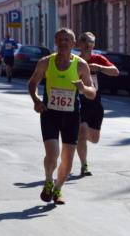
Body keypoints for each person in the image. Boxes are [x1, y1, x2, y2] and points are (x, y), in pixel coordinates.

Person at [27, 28, 97, 205]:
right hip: (49, 114)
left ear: (74, 44)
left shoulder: (81, 65)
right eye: (61, 39)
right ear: (55, 42)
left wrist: (83, 89)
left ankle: (58, 189)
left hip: (71, 117)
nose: (64, 43)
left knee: (67, 158)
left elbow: (92, 92)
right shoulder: (45, 63)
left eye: (68, 40)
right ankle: (49, 180)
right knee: (52, 154)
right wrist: (36, 100)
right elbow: (32, 82)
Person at [75, 31, 119, 177]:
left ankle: (82, 135)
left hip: (95, 102)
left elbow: (115, 72)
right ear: (79, 44)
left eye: (91, 42)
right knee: (81, 131)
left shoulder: (97, 59)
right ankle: (84, 165)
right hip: (80, 101)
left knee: (94, 139)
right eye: (85, 42)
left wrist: (99, 68)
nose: (88, 45)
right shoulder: (74, 61)